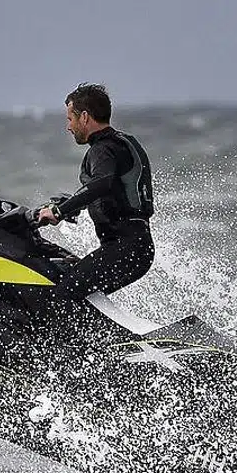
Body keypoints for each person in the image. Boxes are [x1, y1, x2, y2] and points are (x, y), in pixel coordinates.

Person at [36, 83, 156, 306]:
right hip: (135, 247)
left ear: (84, 117)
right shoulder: (121, 142)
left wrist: (59, 211)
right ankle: (99, 336)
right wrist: (73, 205)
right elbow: (111, 190)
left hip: (126, 247)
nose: (68, 127)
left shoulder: (102, 149)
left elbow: (102, 184)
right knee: (74, 284)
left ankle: (77, 341)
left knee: (61, 295)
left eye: (69, 119)